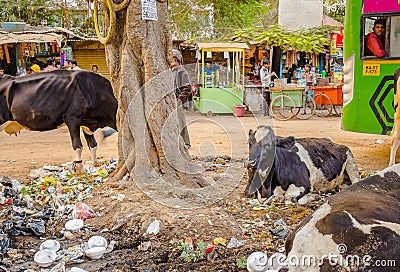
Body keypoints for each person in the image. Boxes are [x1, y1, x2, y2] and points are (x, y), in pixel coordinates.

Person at [171, 49, 192, 149]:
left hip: (178, 101)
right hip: (171, 101)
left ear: (176, 59)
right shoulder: (171, 71)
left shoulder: (181, 70)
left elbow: (187, 87)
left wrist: (180, 98)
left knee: (180, 121)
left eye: (172, 58)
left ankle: (186, 143)